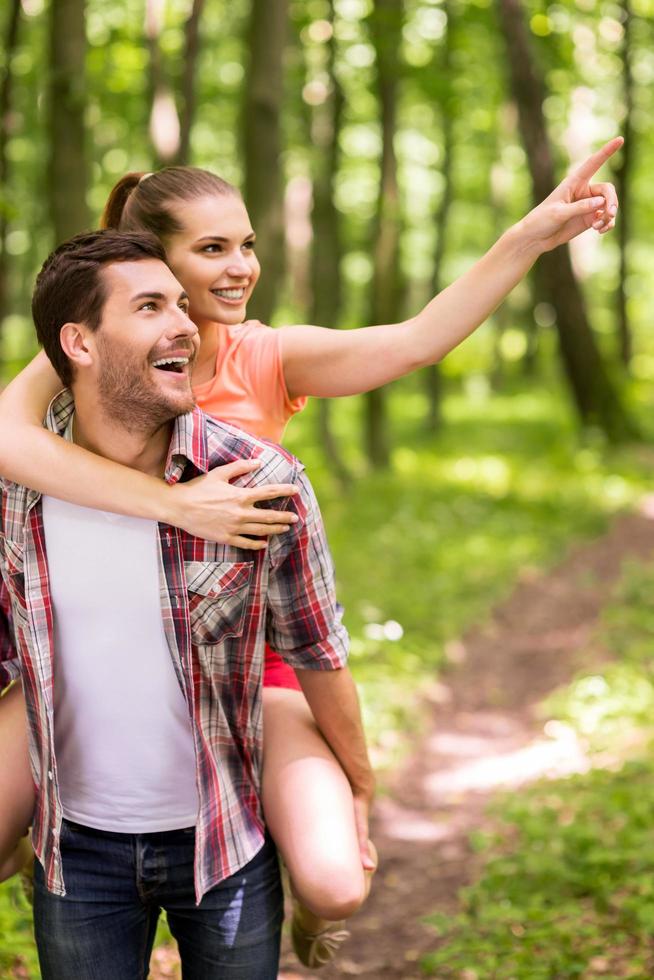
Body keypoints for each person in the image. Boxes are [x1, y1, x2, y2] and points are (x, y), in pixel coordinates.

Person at [0, 137, 622, 965]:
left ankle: (280, 889)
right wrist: (179, 506)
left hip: (244, 657)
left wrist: (533, 235)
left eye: (247, 244)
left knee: (335, 880)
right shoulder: (93, 349)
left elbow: (416, 341)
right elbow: (9, 442)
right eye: (212, 248)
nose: (240, 267)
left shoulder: (267, 356)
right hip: (109, 652)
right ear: (151, 262)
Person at [0, 229, 371, 979]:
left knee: (336, 884)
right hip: (79, 855)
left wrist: (362, 785)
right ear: (77, 341)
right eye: (150, 306)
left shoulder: (259, 479)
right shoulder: (17, 491)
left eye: (181, 303)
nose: (186, 325)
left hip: (223, 841)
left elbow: (316, 651)